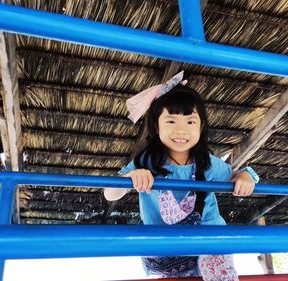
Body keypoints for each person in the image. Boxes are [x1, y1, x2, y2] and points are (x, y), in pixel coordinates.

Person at [104, 71, 259, 281]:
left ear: (201, 127)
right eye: (170, 122)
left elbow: (234, 177)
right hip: (165, 248)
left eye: (190, 122)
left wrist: (245, 177)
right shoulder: (146, 161)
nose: (180, 130)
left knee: (219, 271)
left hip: (208, 239)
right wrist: (130, 177)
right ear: (156, 126)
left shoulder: (208, 162)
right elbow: (110, 194)